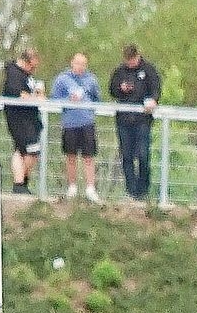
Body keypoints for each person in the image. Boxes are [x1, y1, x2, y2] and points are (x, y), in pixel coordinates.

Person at [107, 44, 161, 201]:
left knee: (143, 155)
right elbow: (112, 90)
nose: (130, 63)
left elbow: (156, 89)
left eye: (132, 59)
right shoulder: (119, 71)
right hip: (124, 120)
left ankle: (143, 190)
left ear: (138, 56)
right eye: (127, 60)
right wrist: (120, 88)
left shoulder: (149, 70)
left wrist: (153, 100)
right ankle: (131, 191)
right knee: (127, 156)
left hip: (142, 120)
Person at [51, 51, 102, 202]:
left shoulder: (91, 80)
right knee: (70, 156)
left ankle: (90, 189)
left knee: (89, 156)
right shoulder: (62, 79)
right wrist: (68, 100)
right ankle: (72, 187)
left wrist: (89, 108)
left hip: (87, 122)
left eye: (83, 64)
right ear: (72, 63)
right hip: (69, 123)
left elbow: (97, 99)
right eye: (78, 63)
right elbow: (54, 99)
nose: (80, 67)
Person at [2, 48, 45, 194]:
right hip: (19, 119)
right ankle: (19, 183)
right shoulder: (13, 73)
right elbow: (18, 94)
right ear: (26, 62)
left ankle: (22, 182)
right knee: (24, 150)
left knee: (30, 151)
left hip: (31, 118)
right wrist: (35, 98)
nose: (33, 70)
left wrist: (38, 94)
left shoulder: (28, 76)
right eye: (32, 66)